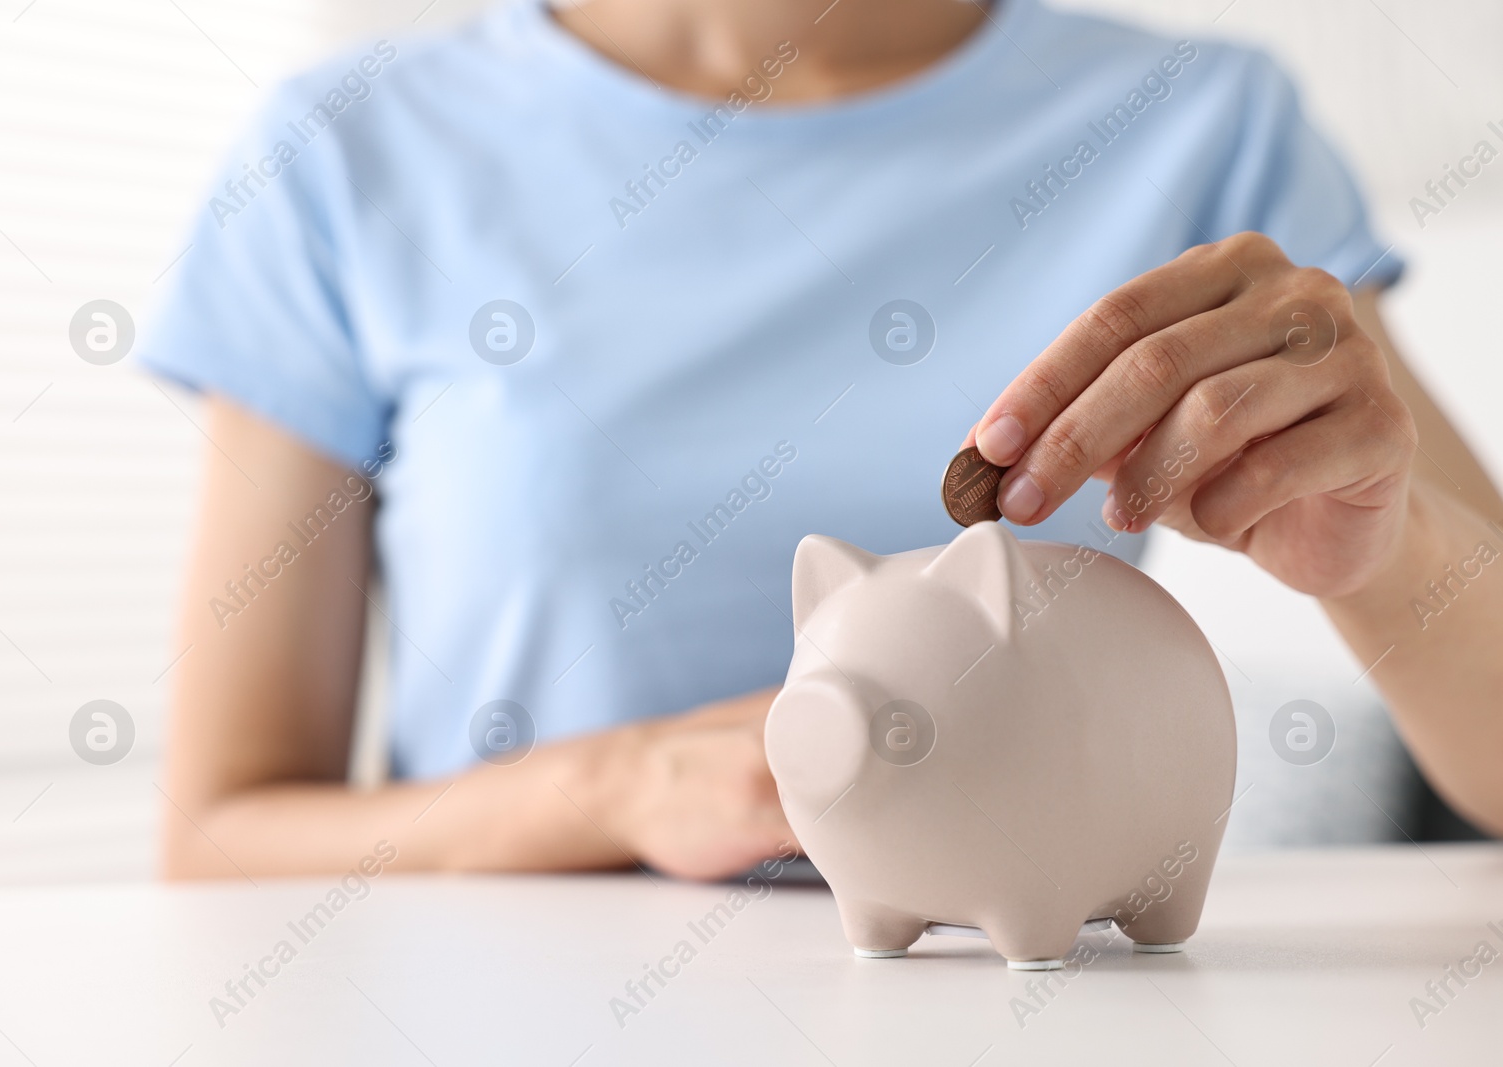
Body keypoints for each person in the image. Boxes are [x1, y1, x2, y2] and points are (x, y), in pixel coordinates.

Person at [142, 0, 1503, 882]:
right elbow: (222, 836)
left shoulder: (1204, 124)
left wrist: (1385, 551)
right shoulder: (343, 153)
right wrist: (605, 790)